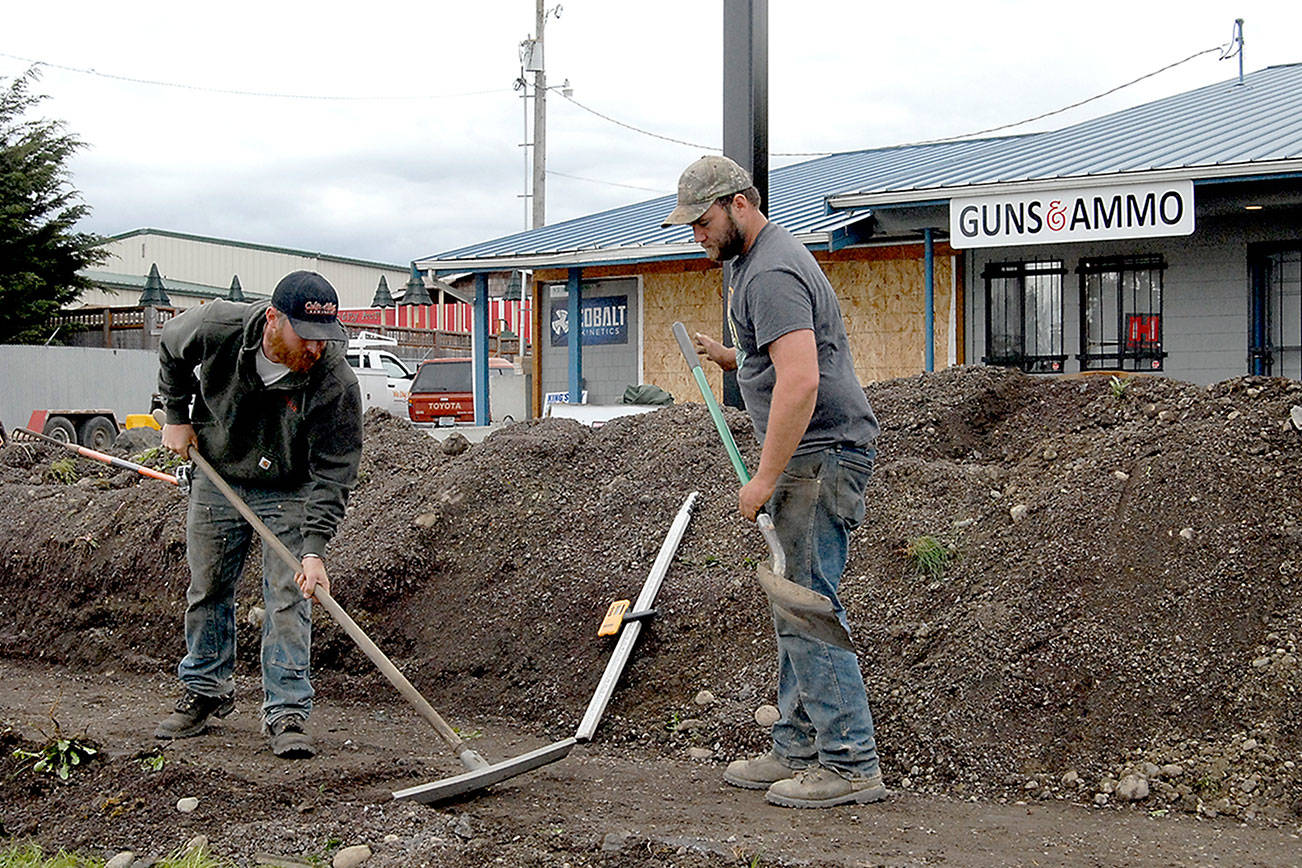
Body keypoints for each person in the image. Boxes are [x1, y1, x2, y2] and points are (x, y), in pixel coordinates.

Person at [664, 155, 885, 808]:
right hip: (807, 456)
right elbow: (779, 356)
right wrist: (733, 356)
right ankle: (797, 746)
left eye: (701, 222)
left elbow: (803, 379)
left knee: (807, 609)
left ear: (737, 203)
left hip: (819, 456)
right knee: (792, 604)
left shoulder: (774, 270)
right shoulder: (746, 265)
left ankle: (849, 763)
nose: (695, 235)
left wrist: (764, 476)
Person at [153, 270, 363, 759]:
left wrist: (313, 550)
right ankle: (205, 689)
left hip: (289, 487)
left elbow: (334, 472)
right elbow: (170, 347)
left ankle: (287, 711)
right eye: (306, 336)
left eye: (324, 338)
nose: (315, 348)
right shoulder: (216, 326)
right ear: (273, 319)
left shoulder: (334, 379)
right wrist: (178, 417)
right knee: (208, 585)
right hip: (218, 472)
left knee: (289, 595)